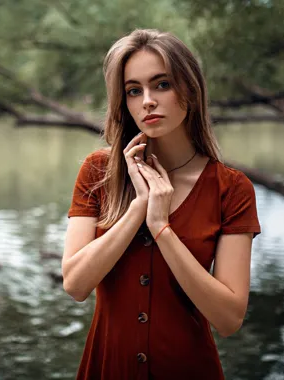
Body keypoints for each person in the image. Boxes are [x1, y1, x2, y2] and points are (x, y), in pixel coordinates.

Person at [62, 29, 261, 380]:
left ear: (191, 91)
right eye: (134, 91)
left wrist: (161, 228)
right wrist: (139, 207)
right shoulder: (98, 171)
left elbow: (229, 319)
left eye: (162, 85)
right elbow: (76, 284)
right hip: (109, 369)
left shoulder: (231, 189)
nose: (147, 101)